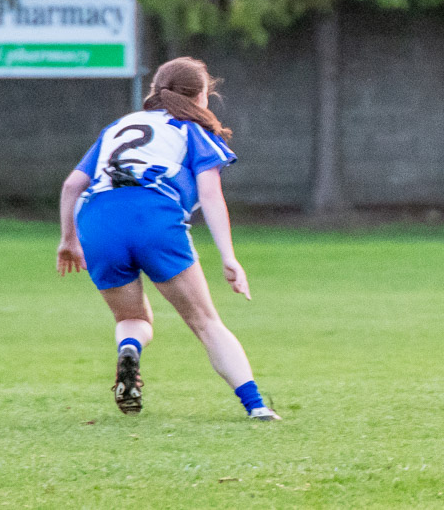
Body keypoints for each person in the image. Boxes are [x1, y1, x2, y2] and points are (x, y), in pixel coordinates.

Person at [56, 57, 280, 420]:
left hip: (97, 221)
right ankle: (256, 406)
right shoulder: (192, 129)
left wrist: (69, 240)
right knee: (206, 322)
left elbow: (71, 185)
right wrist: (229, 257)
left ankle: (130, 348)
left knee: (132, 319)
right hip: (153, 217)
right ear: (201, 96)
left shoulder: (119, 125)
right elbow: (210, 196)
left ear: (154, 91)